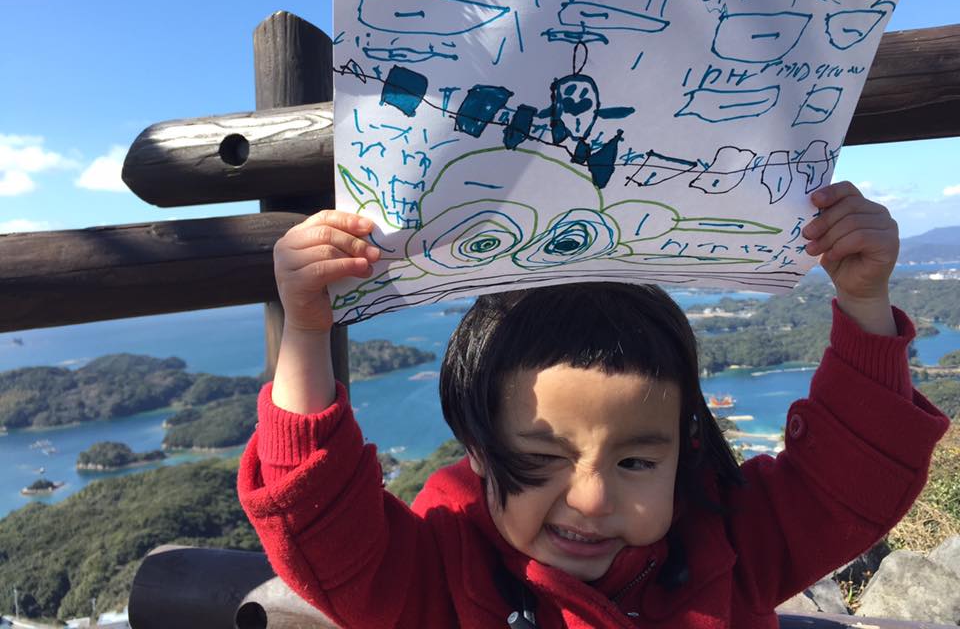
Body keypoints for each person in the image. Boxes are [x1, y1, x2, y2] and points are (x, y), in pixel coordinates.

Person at [238, 182, 949, 628]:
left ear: (685, 448)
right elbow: (320, 523)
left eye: (636, 460)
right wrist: (306, 332)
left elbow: (849, 480)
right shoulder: (440, 573)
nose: (592, 498)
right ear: (478, 450)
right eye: (542, 458)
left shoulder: (730, 539)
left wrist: (864, 301)